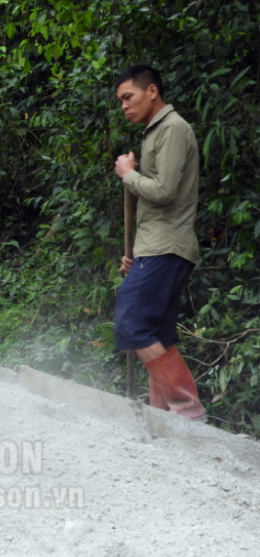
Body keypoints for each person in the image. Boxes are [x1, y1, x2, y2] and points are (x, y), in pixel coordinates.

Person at [113, 64, 206, 421]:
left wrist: (129, 174)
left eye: (128, 97)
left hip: (167, 246)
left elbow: (165, 193)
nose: (124, 106)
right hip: (157, 247)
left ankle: (187, 413)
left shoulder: (173, 129)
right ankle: (165, 416)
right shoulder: (155, 132)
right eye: (120, 100)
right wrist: (136, 256)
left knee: (132, 322)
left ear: (151, 91)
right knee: (157, 334)